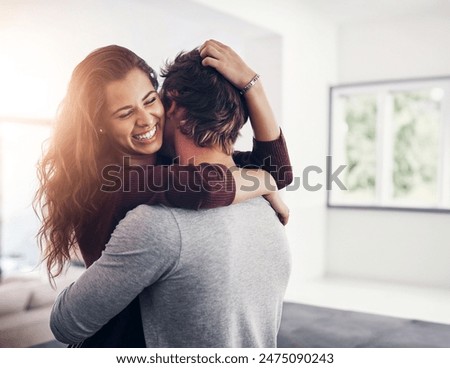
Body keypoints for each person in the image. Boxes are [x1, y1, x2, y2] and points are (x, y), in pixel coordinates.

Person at [35, 41, 292, 347]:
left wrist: (252, 85)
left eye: (148, 100)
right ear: (100, 125)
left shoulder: (168, 162)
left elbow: (278, 169)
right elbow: (208, 185)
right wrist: (262, 182)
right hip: (119, 338)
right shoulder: (111, 181)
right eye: (125, 113)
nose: (145, 120)